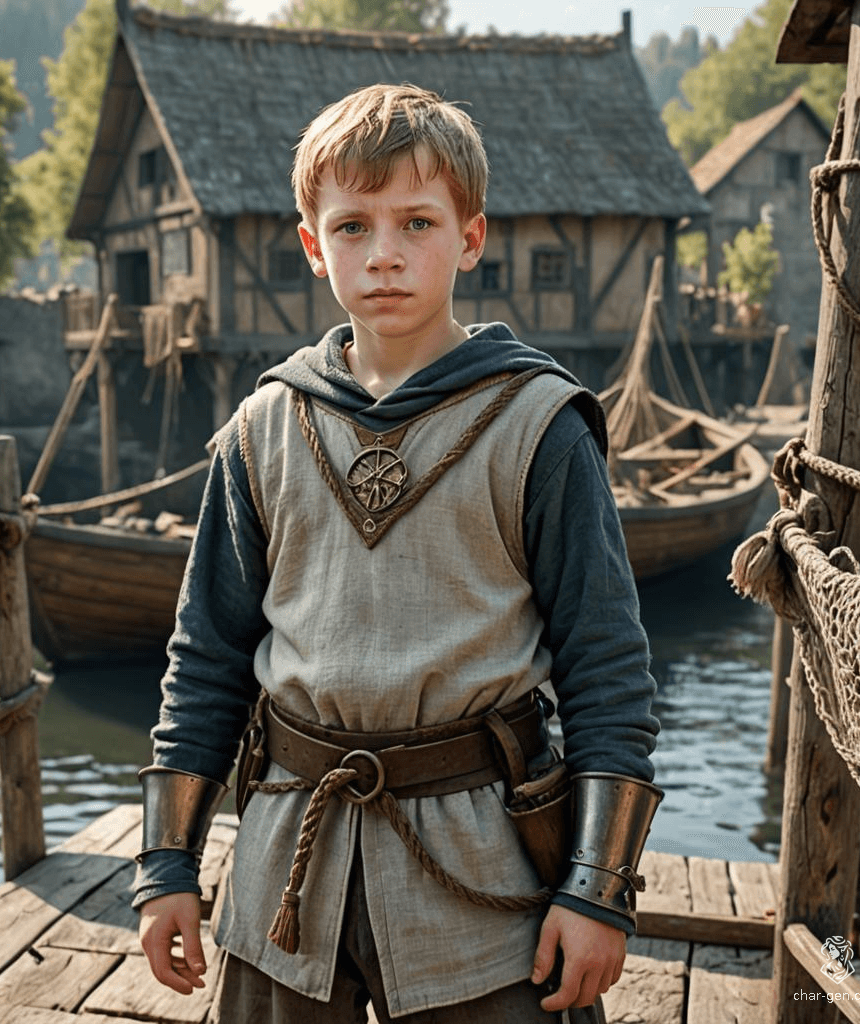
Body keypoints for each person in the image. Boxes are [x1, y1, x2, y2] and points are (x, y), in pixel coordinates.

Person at [133, 83, 661, 1024]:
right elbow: (205, 659)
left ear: (470, 237)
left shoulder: (539, 427)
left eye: (417, 221)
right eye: (351, 227)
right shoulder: (262, 428)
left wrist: (596, 889)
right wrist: (166, 862)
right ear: (311, 243)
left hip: (485, 871)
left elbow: (606, 670)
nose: (383, 254)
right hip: (289, 856)